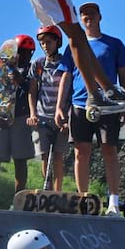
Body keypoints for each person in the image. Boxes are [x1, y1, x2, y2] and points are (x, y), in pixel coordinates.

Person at [55, 1, 125, 216]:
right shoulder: (74, 44)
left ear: (100, 16)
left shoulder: (114, 44)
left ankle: (113, 202)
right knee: (82, 151)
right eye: (83, 14)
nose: (87, 16)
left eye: (91, 13)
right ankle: (84, 199)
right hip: (80, 104)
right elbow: (66, 75)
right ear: (80, 19)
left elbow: (124, 75)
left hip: (108, 106)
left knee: (110, 150)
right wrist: (59, 106)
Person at [0, 35, 36, 200]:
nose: (24, 56)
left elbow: (34, 92)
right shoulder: (0, 70)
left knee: (20, 160)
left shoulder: (32, 70)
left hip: (21, 118)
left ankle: (18, 200)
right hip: (0, 117)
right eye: (21, 52)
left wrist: (21, 80)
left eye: (29, 52)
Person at [27, 25, 70, 191]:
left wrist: (68, 117)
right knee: (45, 155)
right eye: (42, 43)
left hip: (61, 118)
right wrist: (33, 113)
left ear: (57, 42)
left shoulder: (66, 63)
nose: (45, 45)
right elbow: (32, 91)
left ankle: (57, 192)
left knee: (58, 156)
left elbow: (70, 90)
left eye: (49, 42)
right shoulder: (38, 64)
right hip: (42, 116)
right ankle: (48, 190)